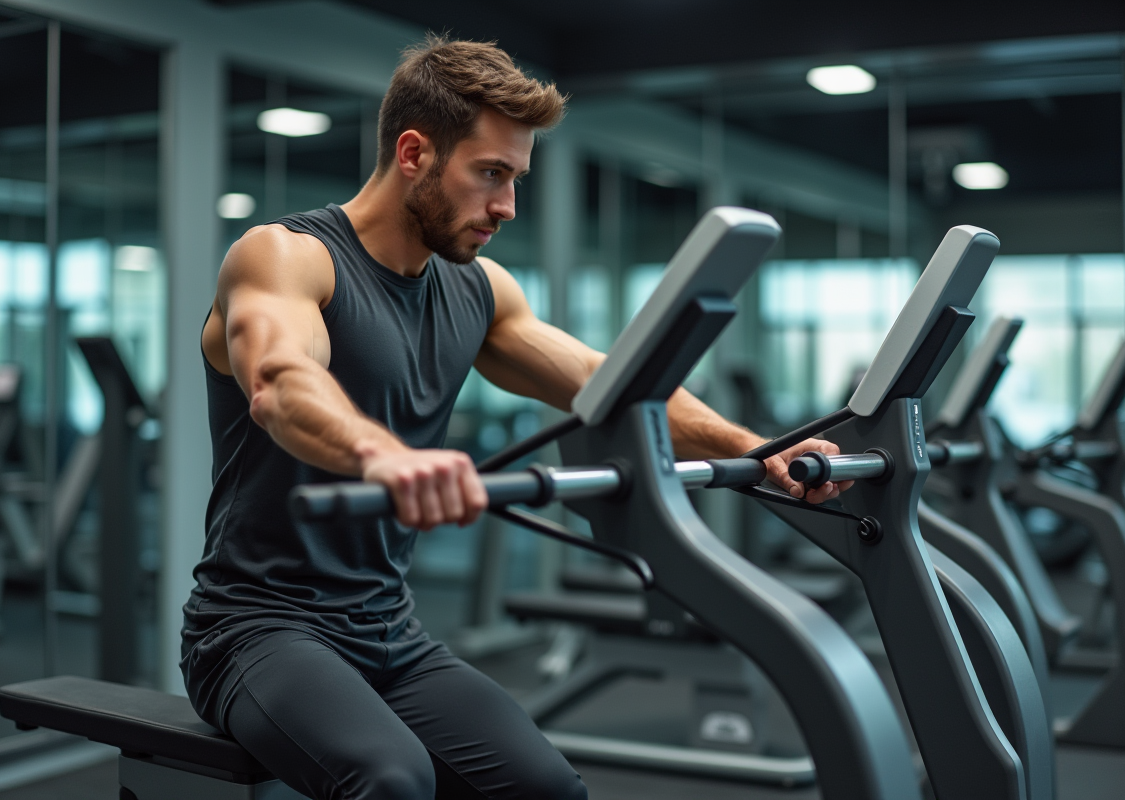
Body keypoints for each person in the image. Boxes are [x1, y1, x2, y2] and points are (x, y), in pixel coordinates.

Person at [182, 35, 849, 800]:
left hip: (387, 630)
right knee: (391, 781)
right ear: (413, 153)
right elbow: (280, 382)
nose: (505, 205)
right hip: (256, 629)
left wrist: (756, 449)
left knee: (548, 790)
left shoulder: (478, 290)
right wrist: (383, 455)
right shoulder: (285, 257)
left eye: (515, 178)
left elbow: (616, 384)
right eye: (490, 174)